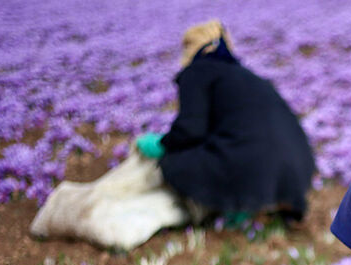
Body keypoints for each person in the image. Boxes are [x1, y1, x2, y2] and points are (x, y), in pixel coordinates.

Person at [135, 19, 315, 224]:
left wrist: (162, 144)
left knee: (174, 162)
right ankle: (266, 201)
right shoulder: (248, 75)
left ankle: (237, 205)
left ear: (189, 49)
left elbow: (190, 130)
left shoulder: (197, 71)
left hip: (252, 166)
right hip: (300, 169)